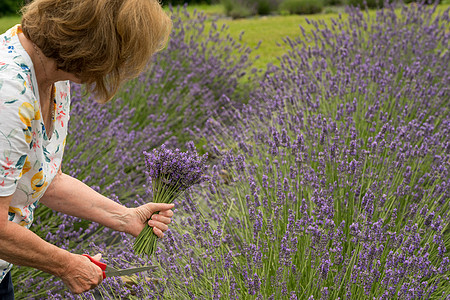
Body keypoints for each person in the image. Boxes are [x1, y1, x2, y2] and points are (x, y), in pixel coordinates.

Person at [0, 0, 173, 297]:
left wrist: (124, 217)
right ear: (93, 44)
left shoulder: (53, 74)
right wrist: (66, 265)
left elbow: (43, 178)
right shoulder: (9, 95)